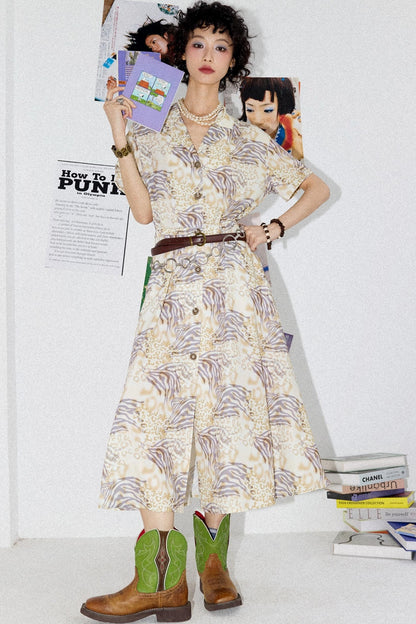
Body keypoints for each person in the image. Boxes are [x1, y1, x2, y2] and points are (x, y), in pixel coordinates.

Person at [81, 1, 330, 622]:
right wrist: (117, 131)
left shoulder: (248, 140)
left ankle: (212, 566)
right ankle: (161, 582)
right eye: (199, 44)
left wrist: (273, 226)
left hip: (234, 288)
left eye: (222, 47)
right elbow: (144, 213)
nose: (209, 56)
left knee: (227, 416)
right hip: (171, 284)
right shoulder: (150, 127)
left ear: (234, 61)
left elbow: (315, 187)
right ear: (181, 53)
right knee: (151, 418)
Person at [240, 76, 304, 159]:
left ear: (281, 106)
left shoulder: (296, 134)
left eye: (267, 110)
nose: (258, 120)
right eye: (250, 109)